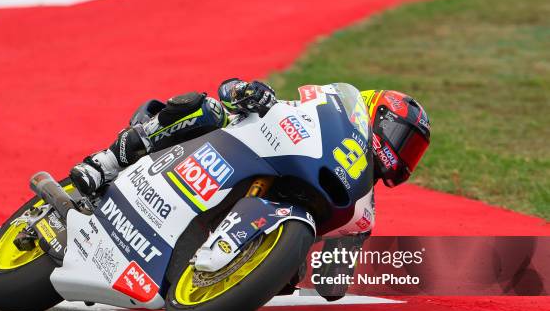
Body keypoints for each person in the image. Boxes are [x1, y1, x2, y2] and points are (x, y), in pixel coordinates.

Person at [70, 79, 431, 198]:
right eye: (403, 137)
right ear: (374, 112)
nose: (402, 151)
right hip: (221, 147)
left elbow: (331, 284)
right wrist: (250, 92)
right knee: (208, 108)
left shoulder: (362, 206)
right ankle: (108, 162)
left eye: (411, 149)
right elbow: (229, 88)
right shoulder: (314, 113)